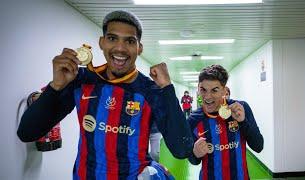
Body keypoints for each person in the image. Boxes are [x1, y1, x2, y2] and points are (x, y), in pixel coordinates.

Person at [17, 10, 193, 179]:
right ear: (101, 42)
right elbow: (27, 133)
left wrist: (168, 89)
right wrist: (55, 86)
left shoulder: (151, 90)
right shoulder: (82, 80)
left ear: (139, 48)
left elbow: (182, 149)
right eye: (112, 38)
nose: (120, 48)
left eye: (130, 41)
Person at [188, 64, 264, 180]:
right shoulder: (194, 119)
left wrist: (243, 121)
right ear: (198, 88)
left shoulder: (240, 108)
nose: (207, 97)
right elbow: (194, 160)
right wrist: (195, 153)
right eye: (203, 90)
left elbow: (258, 146)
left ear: (224, 90)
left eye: (214, 90)